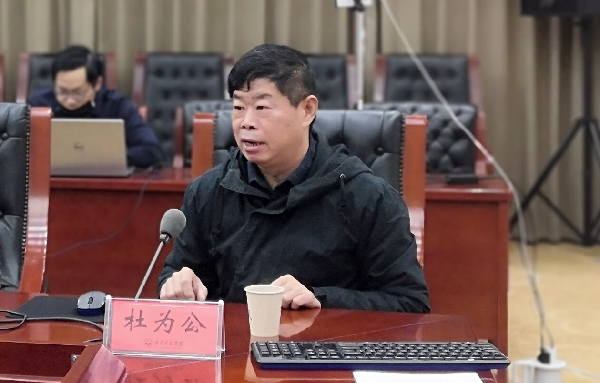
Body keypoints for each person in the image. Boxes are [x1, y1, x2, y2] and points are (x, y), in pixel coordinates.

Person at [158, 43, 429, 312]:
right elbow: (178, 272)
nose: (246, 122)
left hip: (324, 338)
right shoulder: (208, 190)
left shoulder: (368, 197)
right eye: (239, 107)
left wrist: (320, 299)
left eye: (261, 107)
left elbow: (409, 303)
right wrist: (176, 284)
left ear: (307, 110)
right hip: (232, 338)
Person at [29, 45, 163, 168]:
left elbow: (152, 151)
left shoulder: (116, 105)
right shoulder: (39, 105)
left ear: (97, 83)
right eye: (62, 92)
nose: (70, 101)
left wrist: (106, 158)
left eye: (78, 93)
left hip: (105, 181)